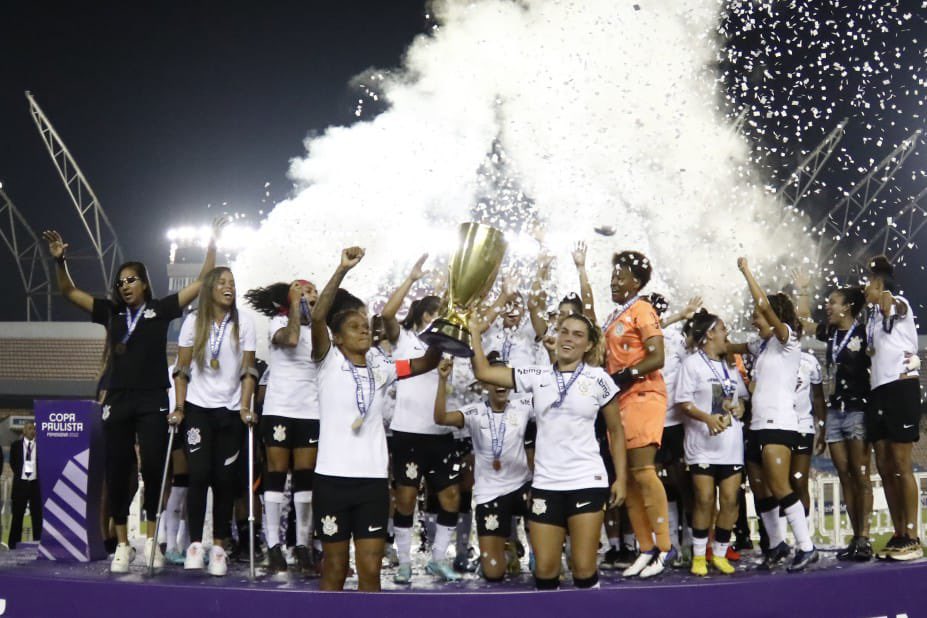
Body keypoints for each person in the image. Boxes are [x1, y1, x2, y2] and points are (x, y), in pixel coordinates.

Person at [41, 220, 223, 573]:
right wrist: (60, 261)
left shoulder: (160, 309)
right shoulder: (110, 313)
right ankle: (122, 544)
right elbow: (68, 293)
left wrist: (212, 245)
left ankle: (152, 541)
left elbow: (202, 283)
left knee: (154, 467)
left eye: (131, 280)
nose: (124, 286)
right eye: (120, 281)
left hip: (154, 397)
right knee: (118, 467)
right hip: (119, 400)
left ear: (144, 283)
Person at [310, 247, 441, 592]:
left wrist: (445, 334)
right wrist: (341, 270)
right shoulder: (327, 362)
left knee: (370, 571)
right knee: (335, 569)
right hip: (332, 481)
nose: (364, 331)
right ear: (337, 337)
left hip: (371, 483)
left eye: (365, 326)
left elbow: (423, 365)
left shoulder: (381, 366)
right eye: (354, 327)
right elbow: (317, 316)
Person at [469, 311, 626, 590]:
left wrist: (622, 480)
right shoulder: (536, 375)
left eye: (577, 335)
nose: (568, 338)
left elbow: (616, 431)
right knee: (545, 570)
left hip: (586, 480)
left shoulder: (599, 379)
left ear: (589, 345)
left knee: (583, 568)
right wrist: (474, 333)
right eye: (564, 331)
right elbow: (484, 372)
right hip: (545, 484)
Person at [727, 257, 817, 572]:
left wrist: (746, 272)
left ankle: (806, 547)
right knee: (761, 488)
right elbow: (728, 347)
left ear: (774, 317)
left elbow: (763, 304)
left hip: (779, 423)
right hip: (757, 424)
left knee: (780, 487)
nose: (754, 320)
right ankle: (777, 544)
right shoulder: (761, 347)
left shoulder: (786, 340)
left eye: (757, 316)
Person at [380, 255, 464, 583]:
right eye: (434, 313)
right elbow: (387, 314)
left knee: (451, 497)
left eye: (442, 315)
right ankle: (403, 561)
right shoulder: (403, 339)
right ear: (421, 315)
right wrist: (412, 279)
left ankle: (438, 559)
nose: (438, 320)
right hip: (408, 433)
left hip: (440, 431)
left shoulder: (447, 344)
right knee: (405, 499)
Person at [170, 266, 258, 577]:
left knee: (224, 480)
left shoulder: (245, 322)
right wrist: (179, 407)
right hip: (197, 408)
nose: (228, 287)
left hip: (230, 410)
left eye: (232, 282)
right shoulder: (194, 321)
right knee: (199, 476)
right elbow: (181, 368)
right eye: (221, 282)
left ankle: (218, 547)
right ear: (209, 289)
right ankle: (195, 545)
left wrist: (245, 406)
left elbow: (249, 370)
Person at [602, 251, 674, 578]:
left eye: (621, 276)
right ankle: (645, 548)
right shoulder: (617, 313)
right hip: (619, 400)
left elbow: (657, 356)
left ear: (637, 282)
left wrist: (625, 376)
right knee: (628, 478)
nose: (614, 281)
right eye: (613, 275)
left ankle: (665, 547)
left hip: (643, 395)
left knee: (644, 471)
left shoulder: (642, 308)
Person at [433, 353, 534, 581]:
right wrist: (442, 381)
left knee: (542, 498)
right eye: (494, 380)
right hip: (490, 494)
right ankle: (504, 552)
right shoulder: (474, 412)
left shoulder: (523, 405)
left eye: (504, 380)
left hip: (521, 488)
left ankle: (539, 551)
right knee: (493, 572)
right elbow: (440, 418)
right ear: (485, 384)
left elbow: (553, 399)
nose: (500, 385)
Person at [245, 279, 321, 575]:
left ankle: (302, 544)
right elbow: (290, 339)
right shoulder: (277, 321)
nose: (309, 294)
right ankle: (273, 545)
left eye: (313, 290)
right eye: (302, 290)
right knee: (275, 477)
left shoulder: (322, 328)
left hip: (310, 410)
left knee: (305, 479)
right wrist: (293, 307)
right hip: (279, 409)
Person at [675, 311, 749, 576]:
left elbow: (741, 397)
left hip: (730, 443)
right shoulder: (692, 364)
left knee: (730, 501)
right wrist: (706, 417)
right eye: (722, 329)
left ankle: (719, 553)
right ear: (709, 335)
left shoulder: (729, 365)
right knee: (705, 500)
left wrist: (739, 406)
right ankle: (698, 556)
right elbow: (682, 402)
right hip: (702, 444)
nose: (727, 333)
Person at [863, 256, 923, 561]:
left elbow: (892, 304)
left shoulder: (898, 302)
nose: (865, 287)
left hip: (901, 388)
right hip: (879, 391)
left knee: (901, 463)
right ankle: (899, 533)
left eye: (870, 283)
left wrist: (882, 293)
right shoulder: (870, 317)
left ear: (880, 285)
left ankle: (913, 535)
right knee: (885, 466)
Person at [807, 286, 873, 560]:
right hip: (835, 412)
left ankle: (864, 538)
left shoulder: (865, 333)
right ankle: (854, 538)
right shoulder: (832, 333)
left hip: (858, 410)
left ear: (847, 307)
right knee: (844, 476)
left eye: (833, 302)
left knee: (860, 475)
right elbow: (804, 322)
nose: (828, 306)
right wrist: (802, 290)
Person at [8, 422, 42, 550]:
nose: (32, 431)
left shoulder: (40, 446)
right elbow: (13, 463)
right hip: (20, 485)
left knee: (37, 517)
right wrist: (22, 475)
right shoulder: (15, 446)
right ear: (24, 431)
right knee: (17, 517)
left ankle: (37, 543)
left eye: (34, 429)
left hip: (35, 486)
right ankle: (13, 545)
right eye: (29, 428)